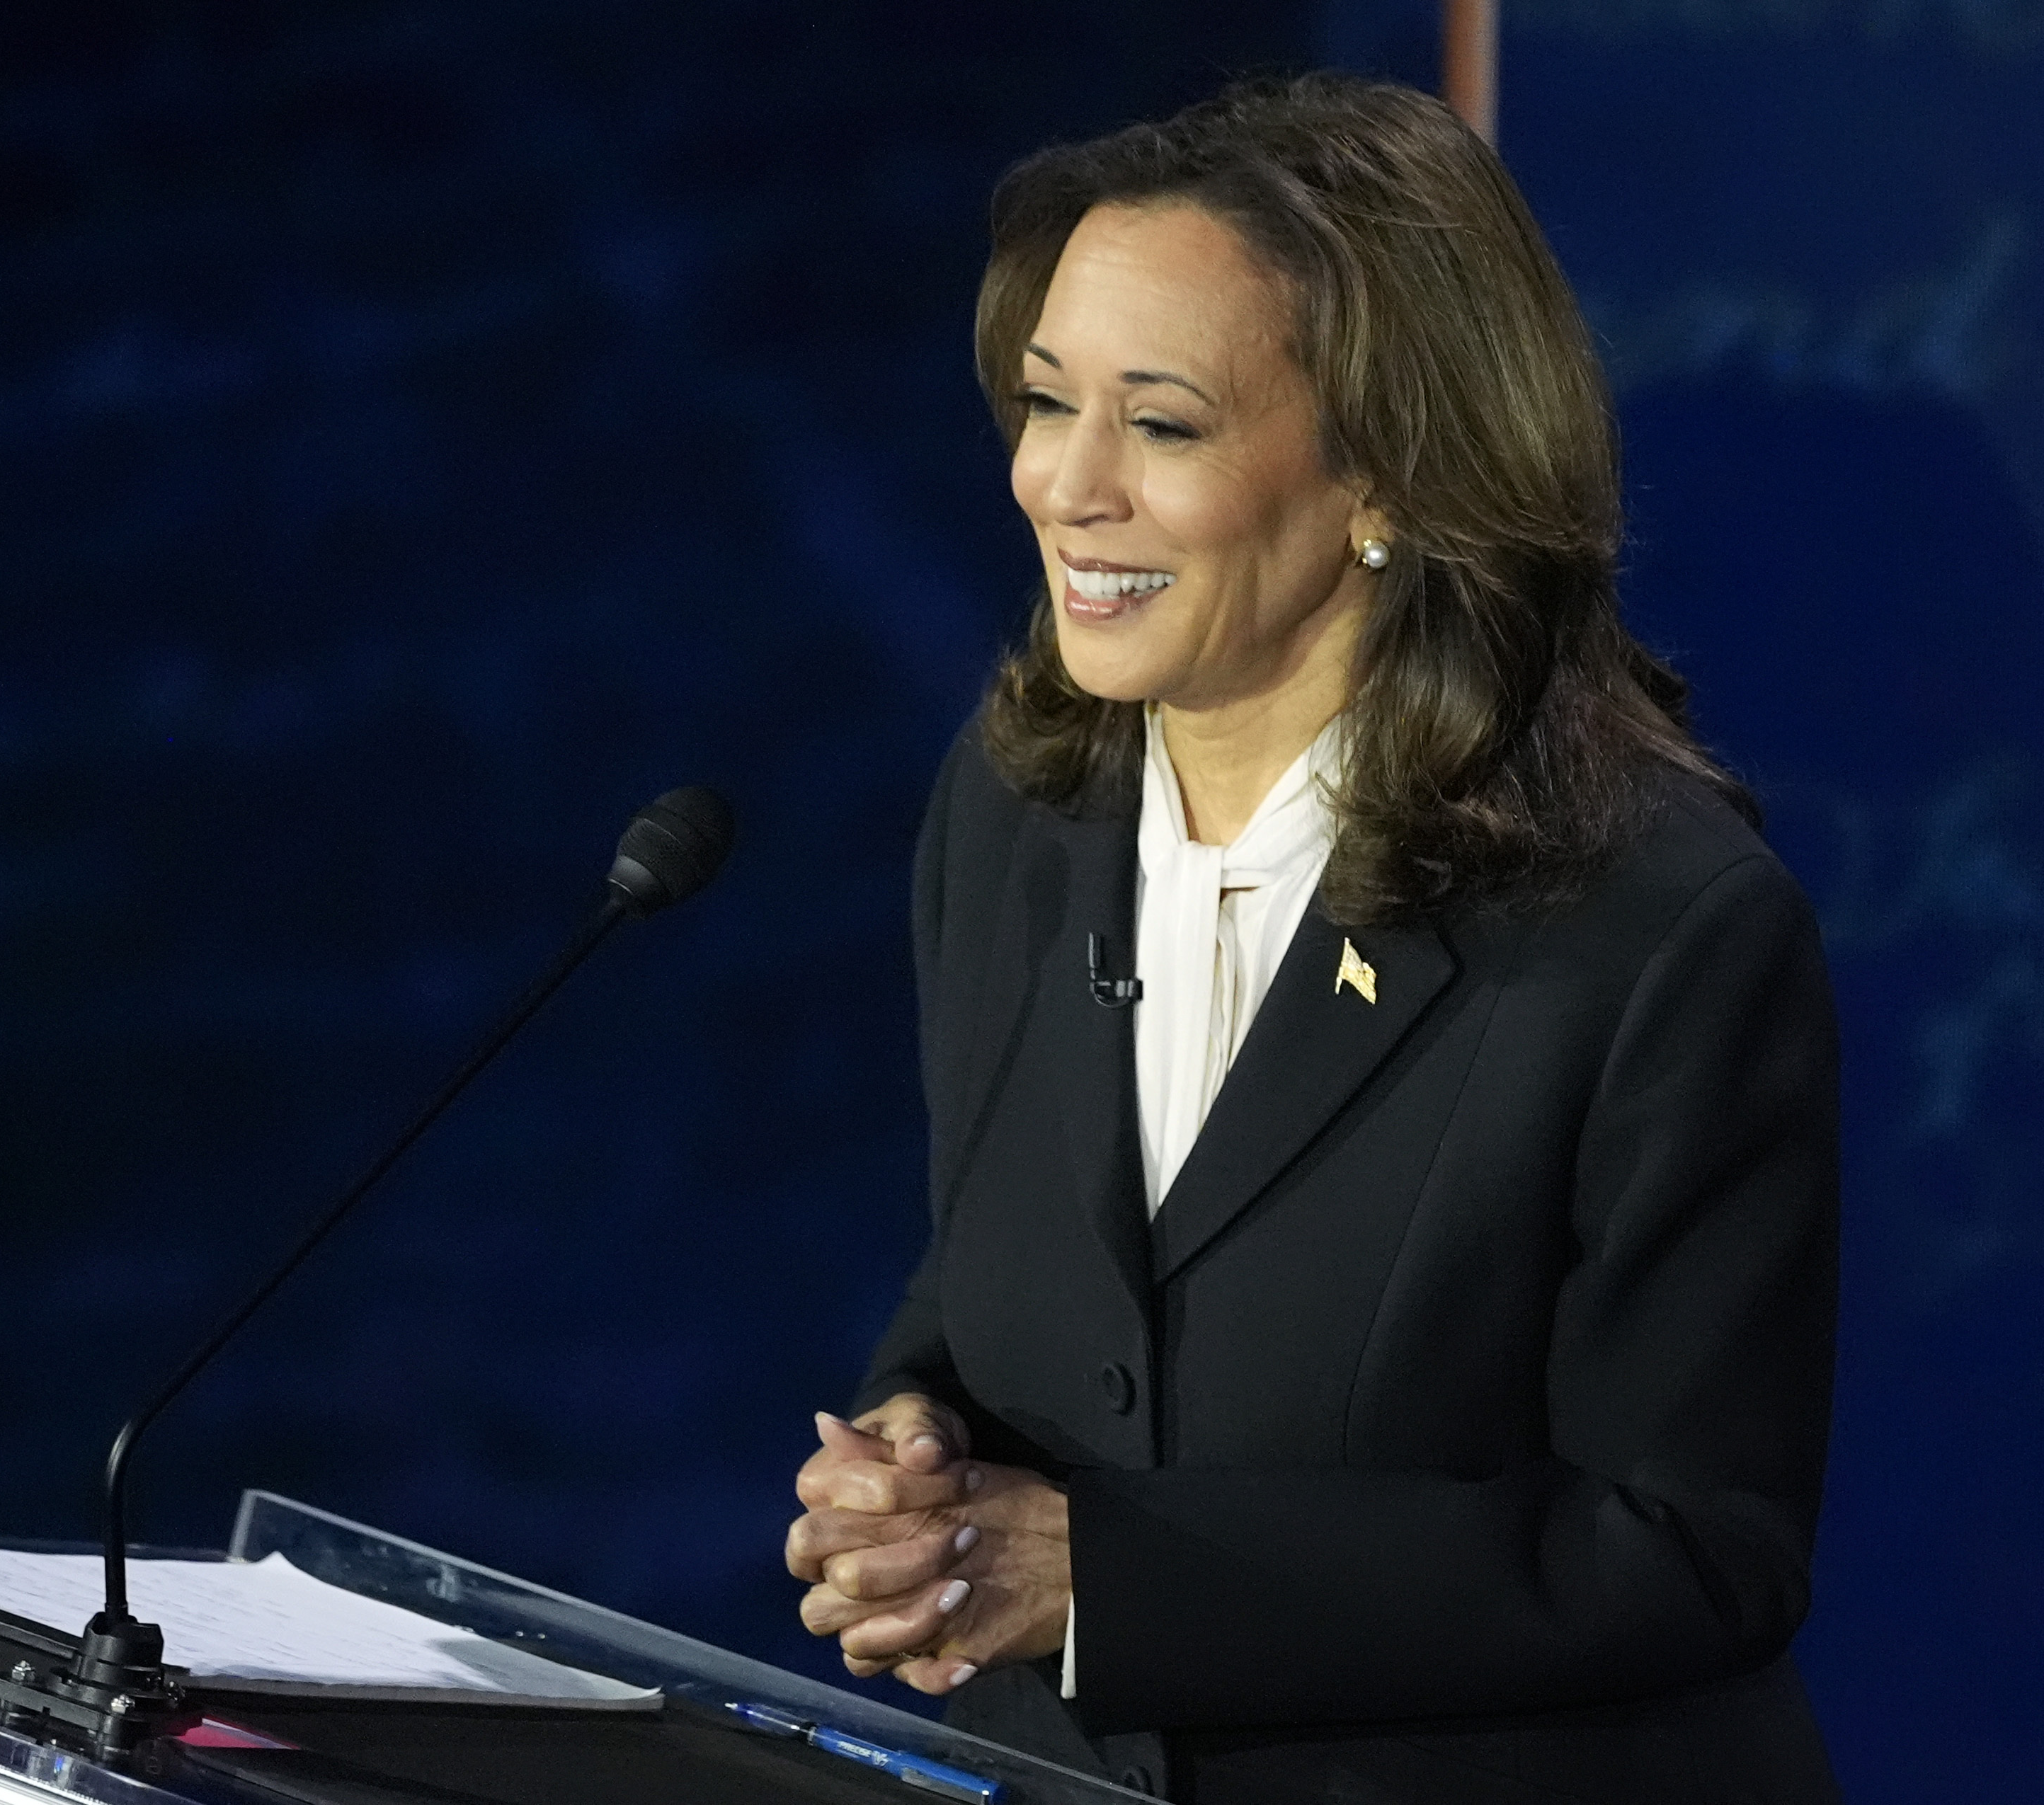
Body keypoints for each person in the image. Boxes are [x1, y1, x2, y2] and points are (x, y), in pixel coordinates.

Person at [784, 74, 1841, 1804]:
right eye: (1047, 403)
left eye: (1166, 424)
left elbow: (1689, 1545)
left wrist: (1100, 1580)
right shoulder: (1015, 816)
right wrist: (915, 1451)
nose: (1067, 485)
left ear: (1392, 478)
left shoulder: (1652, 928)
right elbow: (1029, 1275)